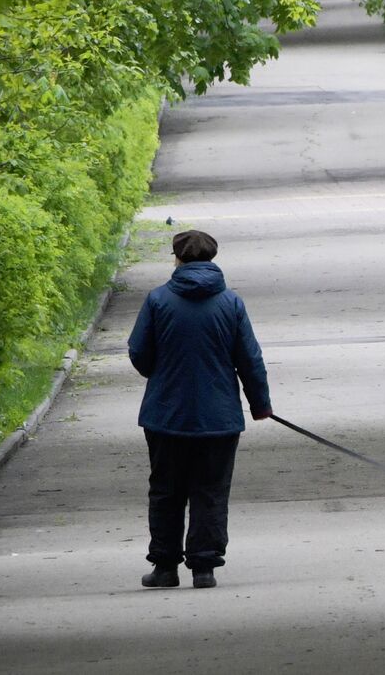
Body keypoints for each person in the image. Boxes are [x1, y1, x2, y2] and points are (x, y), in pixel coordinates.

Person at [127, 229, 272, 589]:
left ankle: (165, 567)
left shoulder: (158, 300)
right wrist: (260, 405)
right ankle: (204, 568)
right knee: (210, 490)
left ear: (177, 259)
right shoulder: (231, 303)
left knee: (166, 491)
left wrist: (161, 372)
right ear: (212, 259)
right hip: (218, 417)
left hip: (165, 415)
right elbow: (250, 359)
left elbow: (139, 353)